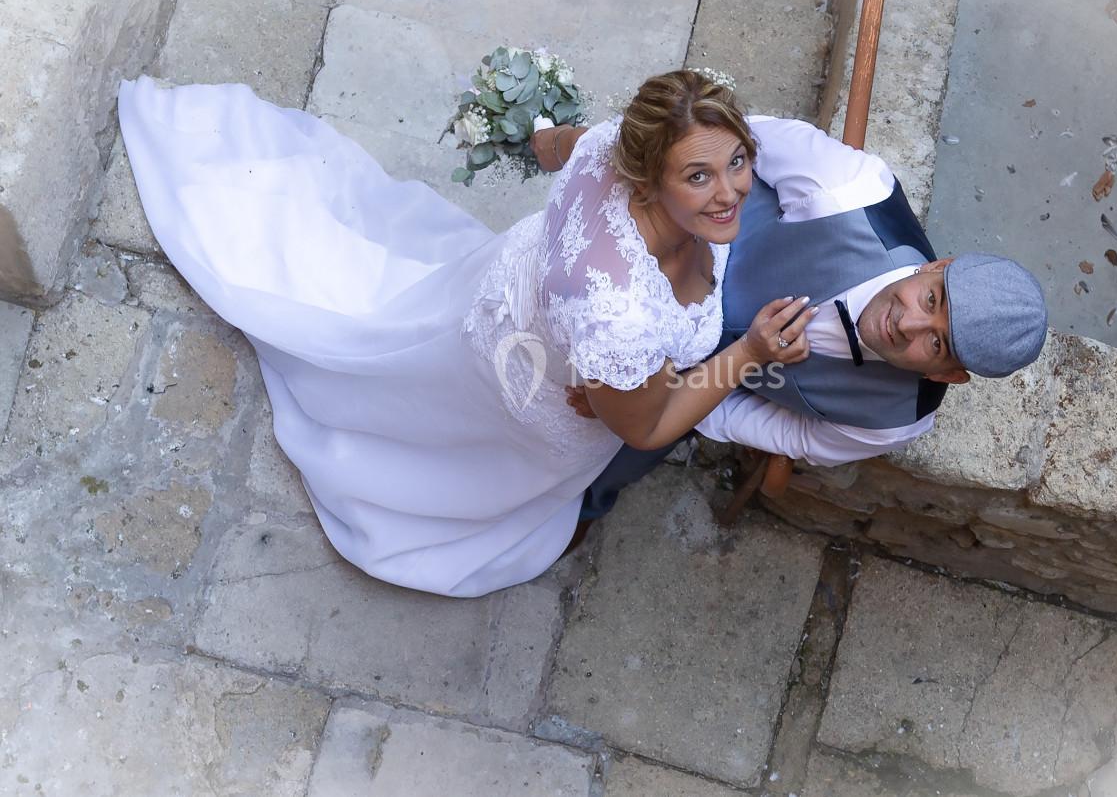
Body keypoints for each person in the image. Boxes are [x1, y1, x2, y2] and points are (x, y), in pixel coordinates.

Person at [117, 70, 817, 598]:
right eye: (698, 176)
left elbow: (557, 148)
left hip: (506, 287)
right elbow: (647, 427)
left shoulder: (616, 143)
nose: (730, 192)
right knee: (473, 437)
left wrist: (534, 132)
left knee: (427, 350)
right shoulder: (619, 318)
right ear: (647, 174)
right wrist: (748, 352)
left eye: (737, 161)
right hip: (541, 371)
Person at [532, 116, 1048, 525]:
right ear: (940, 266)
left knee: (600, 469)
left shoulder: (894, 419)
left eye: (935, 346)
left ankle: (571, 513)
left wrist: (660, 400)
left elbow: (780, 432)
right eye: (932, 299)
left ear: (946, 376)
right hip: (656, 262)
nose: (908, 324)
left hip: (690, 391)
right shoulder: (853, 190)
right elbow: (732, 139)